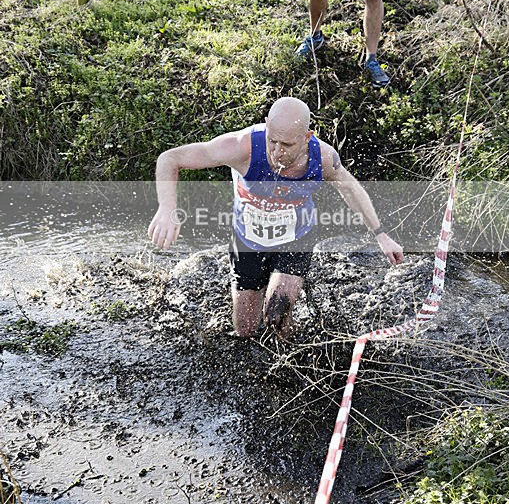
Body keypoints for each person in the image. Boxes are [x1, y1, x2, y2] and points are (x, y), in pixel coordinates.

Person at [148, 97, 403, 338]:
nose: (277, 152)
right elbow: (170, 159)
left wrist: (381, 235)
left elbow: (351, 189)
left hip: (295, 238)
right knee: (245, 330)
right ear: (267, 126)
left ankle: (289, 360)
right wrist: (166, 208)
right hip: (247, 239)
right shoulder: (240, 146)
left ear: (306, 138)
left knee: (276, 315)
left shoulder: (322, 158)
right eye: (273, 141)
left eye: (287, 145)